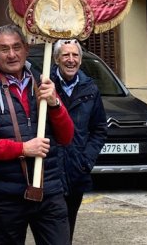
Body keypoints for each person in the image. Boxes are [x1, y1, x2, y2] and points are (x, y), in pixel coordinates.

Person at [0, 25, 74, 244]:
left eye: (17, 47)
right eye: (4, 49)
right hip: (5, 196)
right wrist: (22, 149)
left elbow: (66, 136)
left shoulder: (42, 81)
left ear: (26, 48)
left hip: (48, 190)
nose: (12, 54)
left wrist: (55, 104)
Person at [50, 39, 108, 241]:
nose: (71, 60)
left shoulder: (90, 88)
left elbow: (99, 129)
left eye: (75, 55)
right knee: (53, 230)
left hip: (76, 170)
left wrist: (87, 160)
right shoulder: (45, 86)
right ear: (57, 59)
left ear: (81, 60)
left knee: (68, 228)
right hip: (51, 171)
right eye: (66, 55)